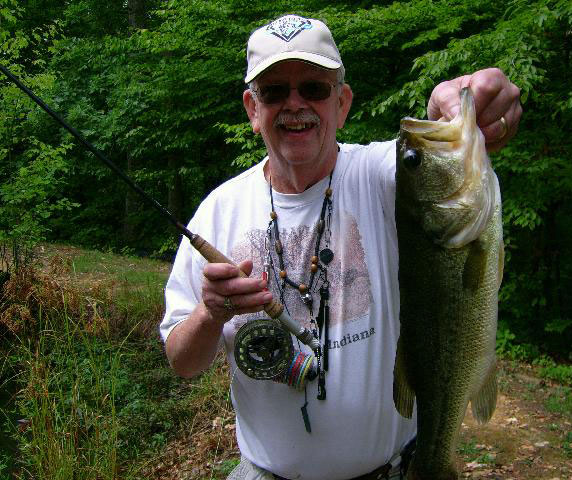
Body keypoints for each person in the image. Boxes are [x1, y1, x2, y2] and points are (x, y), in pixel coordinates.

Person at [160, 14, 521, 480]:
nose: (295, 105)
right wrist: (210, 313)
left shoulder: (383, 176)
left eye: (314, 88)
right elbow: (182, 362)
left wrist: (472, 101)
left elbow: (436, 164)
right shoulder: (218, 210)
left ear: (342, 103)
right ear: (253, 109)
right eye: (274, 92)